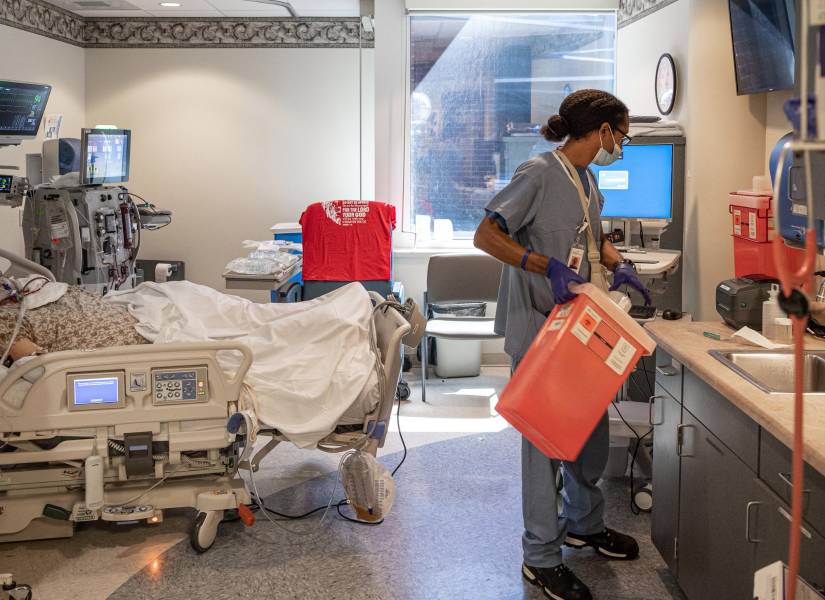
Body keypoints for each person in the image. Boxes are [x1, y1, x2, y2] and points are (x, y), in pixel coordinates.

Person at [473, 89, 651, 600]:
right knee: (544, 446)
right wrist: (541, 264)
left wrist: (620, 264)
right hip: (538, 328)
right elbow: (486, 235)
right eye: (622, 136)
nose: (621, 145)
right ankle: (541, 557)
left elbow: (595, 239)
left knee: (589, 434)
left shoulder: (587, 180)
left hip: (579, 328)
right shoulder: (538, 173)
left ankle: (584, 525)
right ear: (602, 132)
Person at [0, 276, 148, 366]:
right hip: (130, 335)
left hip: (134, 324)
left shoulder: (36, 293)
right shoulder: (6, 321)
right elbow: (36, 366)